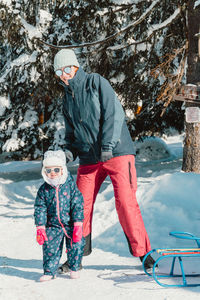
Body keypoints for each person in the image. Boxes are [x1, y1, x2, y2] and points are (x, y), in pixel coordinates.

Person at [53, 49, 155, 272]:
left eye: (67, 69)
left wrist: (108, 145)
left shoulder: (96, 82)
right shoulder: (67, 99)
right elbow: (71, 135)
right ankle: (76, 256)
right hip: (90, 159)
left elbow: (114, 113)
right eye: (58, 71)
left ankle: (145, 255)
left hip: (117, 152)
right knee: (78, 205)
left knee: (125, 202)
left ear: (76, 66)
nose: (64, 74)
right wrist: (68, 153)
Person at [34, 150, 85, 281]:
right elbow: (40, 208)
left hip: (71, 224)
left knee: (76, 245)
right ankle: (49, 271)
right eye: (49, 170)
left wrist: (78, 223)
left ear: (62, 170)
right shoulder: (43, 190)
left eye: (56, 170)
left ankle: (74, 267)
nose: (52, 173)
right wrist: (40, 226)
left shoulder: (70, 187)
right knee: (50, 248)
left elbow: (77, 204)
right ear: (44, 172)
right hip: (53, 225)